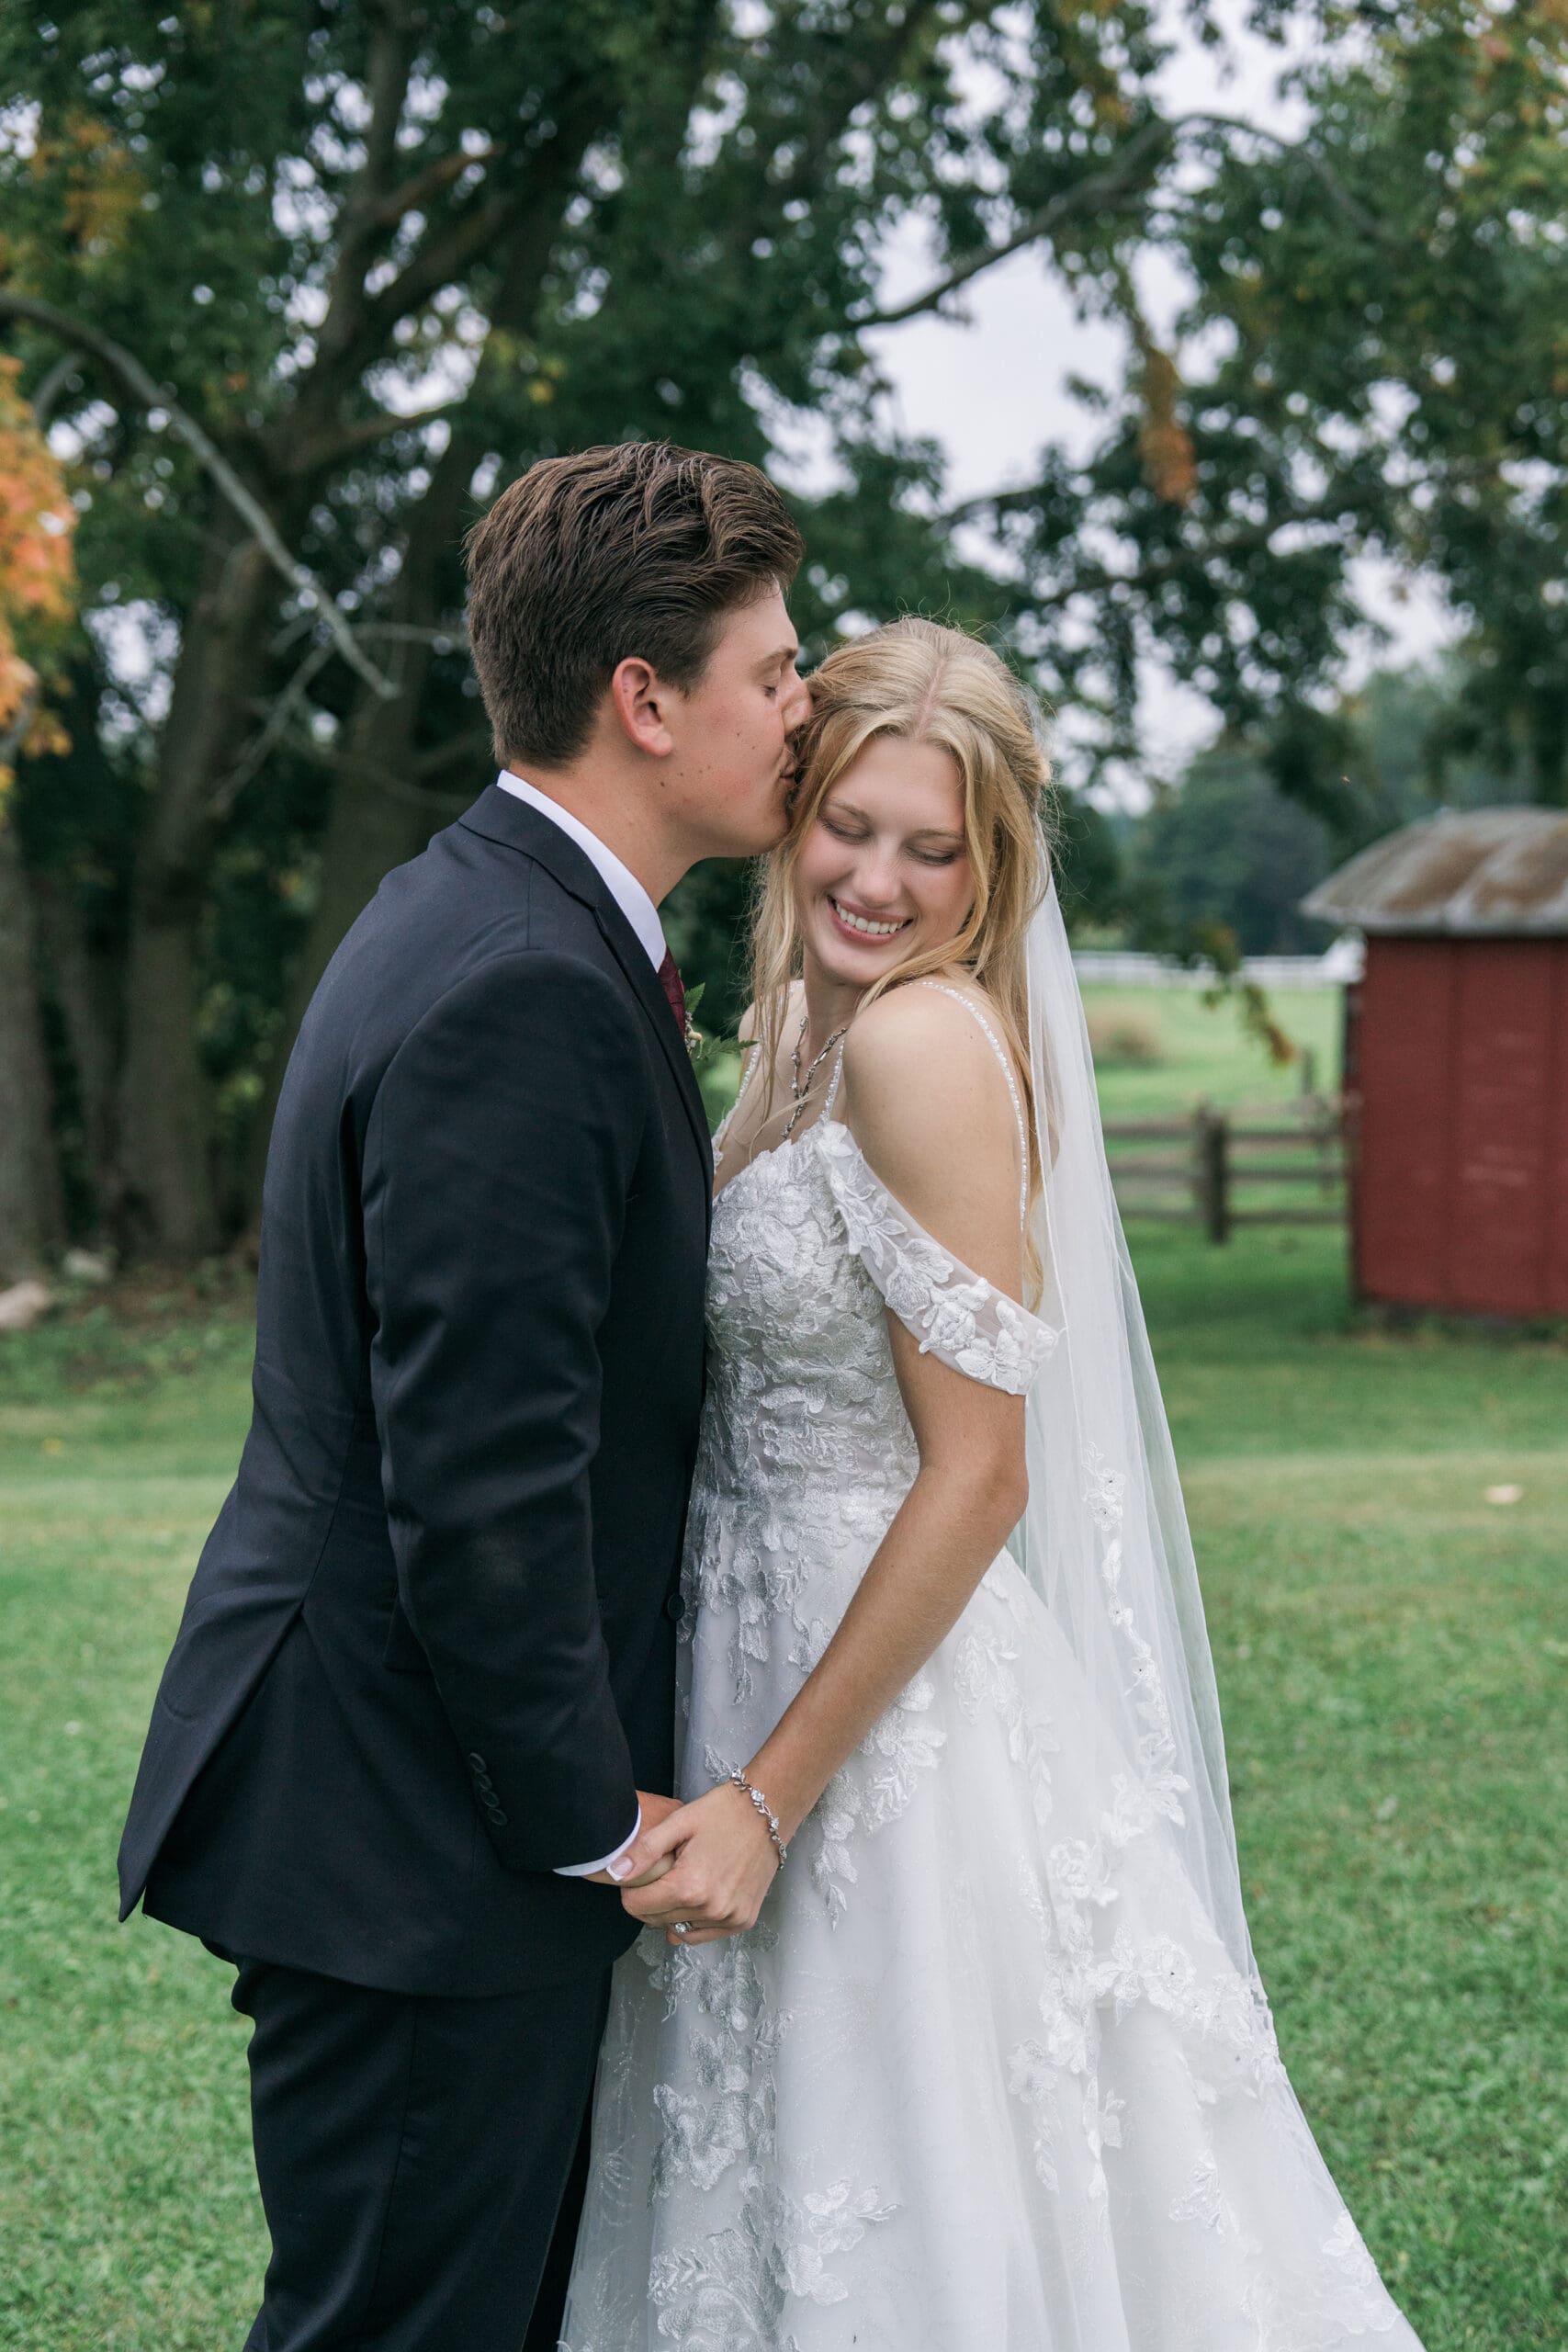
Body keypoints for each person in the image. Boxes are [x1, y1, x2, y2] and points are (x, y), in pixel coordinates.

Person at [560, 617, 1427, 2349]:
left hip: (870, 1729)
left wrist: (769, 1797)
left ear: (992, 864)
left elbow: (979, 1475)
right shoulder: (815, 1018)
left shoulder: (916, 1048)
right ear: (793, 804)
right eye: (848, 825)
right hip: (756, 1648)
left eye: (930, 848)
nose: (874, 878)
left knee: (921, 2188)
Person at [116, 440, 810, 2352]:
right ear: (643, 699)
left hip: (398, 1806)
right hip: (412, 1840)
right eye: (771, 669)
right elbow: (482, 1478)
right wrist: (594, 1820)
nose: (800, 704)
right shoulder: (521, 978)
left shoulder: (502, 909)